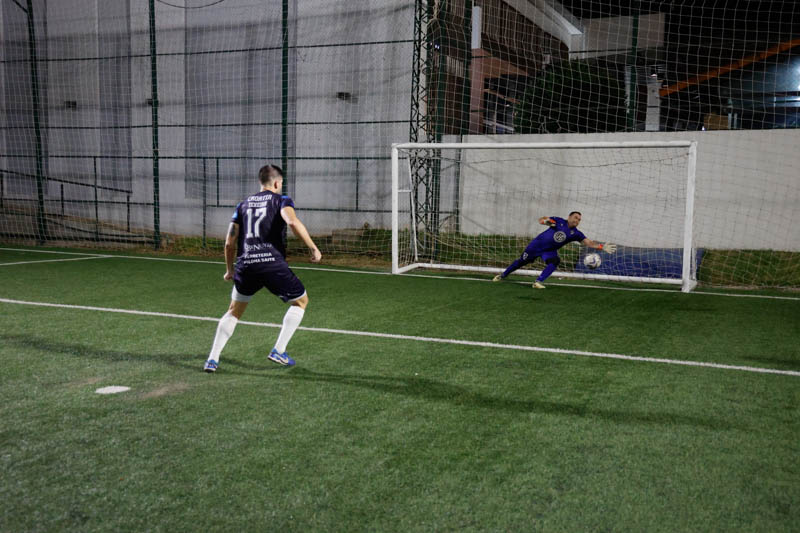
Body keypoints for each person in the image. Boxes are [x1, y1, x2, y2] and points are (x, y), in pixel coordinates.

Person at [203, 164, 322, 372]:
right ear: (277, 183)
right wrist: (313, 248)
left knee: (234, 311)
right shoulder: (281, 200)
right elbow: (292, 222)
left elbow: (229, 243)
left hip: (246, 264)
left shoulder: (243, 205)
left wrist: (230, 270)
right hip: (271, 263)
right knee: (301, 301)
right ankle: (279, 350)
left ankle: (212, 359)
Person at [492, 211, 616, 289]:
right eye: (575, 217)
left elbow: (588, 242)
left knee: (555, 261)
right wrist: (545, 220)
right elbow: (543, 219)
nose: (577, 221)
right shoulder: (558, 221)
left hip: (549, 251)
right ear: (569, 217)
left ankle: (538, 282)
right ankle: (502, 275)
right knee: (521, 262)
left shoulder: (576, 233)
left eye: (579, 220)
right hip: (536, 246)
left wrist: (601, 247)